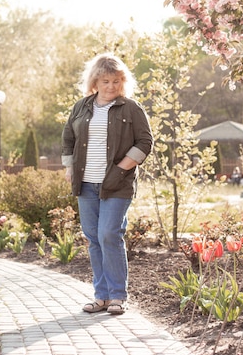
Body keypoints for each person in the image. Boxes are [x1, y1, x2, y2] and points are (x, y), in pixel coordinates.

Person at [61, 53, 153, 315]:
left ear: (122, 82)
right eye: (105, 81)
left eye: (116, 81)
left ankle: (117, 296)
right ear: (95, 82)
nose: (111, 86)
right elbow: (68, 138)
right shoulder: (81, 107)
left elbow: (145, 142)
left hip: (117, 184)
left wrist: (121, 168)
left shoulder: (131, 108)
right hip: (85, 184)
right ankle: (100, 296)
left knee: (109, 234)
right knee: (93, 238)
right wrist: (69, 167)